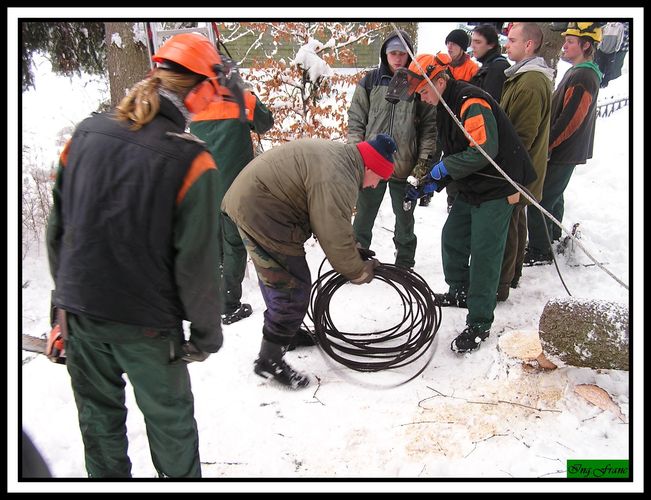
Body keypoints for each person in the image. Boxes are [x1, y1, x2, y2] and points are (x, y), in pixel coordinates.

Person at [46, 33, 227, 478]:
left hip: (82, 315)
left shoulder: (84, 135)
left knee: (99, 426)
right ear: (199, 89)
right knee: (172, 430)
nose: (215, 98)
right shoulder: (192, 161)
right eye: (214, 89)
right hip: (148, 327)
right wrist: (205, 334)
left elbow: (58, 232)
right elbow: (198, 264)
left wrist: (63, 309)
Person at [222, 134, 397, 387]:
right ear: (370, 167)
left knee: (281, 280)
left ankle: (285, 334)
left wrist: (353, 249)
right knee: (292, 287)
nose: (373, 186)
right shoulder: (340, 175)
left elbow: (329, 219)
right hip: (262, 209)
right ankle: (269, 360)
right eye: (379, 179)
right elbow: (333, 232)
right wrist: (359, 272)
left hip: (253, 200)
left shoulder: (342, 161)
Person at [398, 53, 535, 353]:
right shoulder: (445, 105)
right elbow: (456, 150)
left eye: (422, 91)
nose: (421, 97)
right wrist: (433, 183)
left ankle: (479, 323)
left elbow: (483, 151)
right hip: (473, 185)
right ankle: (460, 290)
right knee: (453, 237)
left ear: (439, 80)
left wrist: (443, 170)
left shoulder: (470, 101)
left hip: (498, 187)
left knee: (485, 253)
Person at [348, 30, 438, 266]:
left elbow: (429, 128)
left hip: (405, 165)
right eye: (393, 53)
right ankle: (355, 259)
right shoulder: (370, 81)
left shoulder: (418, 85)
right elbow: (356, 119)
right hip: (371, 165)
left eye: (402, 53)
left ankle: (405, 262)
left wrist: (423, 163)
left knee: (405, 218)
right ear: (384, 54)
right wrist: (357, 153)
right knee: (363, 217)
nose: (398, 58)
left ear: (409, 55)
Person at [190, 80, 274, 325]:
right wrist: (252, 97)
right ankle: (228, 304)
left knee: (212, 243)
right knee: (234, 244)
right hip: (235, 184)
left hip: (203, 184)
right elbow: (265, 123)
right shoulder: (242, 98)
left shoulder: (194, 98)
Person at [525, 22, 603, 265]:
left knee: (541, 200)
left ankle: (540, 250)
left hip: (562, 150)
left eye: (570, 42)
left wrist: (547, 145)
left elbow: (571, 118)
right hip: (563, 150)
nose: (564, 45)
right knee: (554, 196)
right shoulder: (579, 71)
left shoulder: (584, 75)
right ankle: (552, 237)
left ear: (586, 45)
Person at [496, 22, 554, 301]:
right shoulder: (524, 76)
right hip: (524, 170)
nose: (507, 45)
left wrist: (508, 174)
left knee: (508, 225)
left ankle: (502, 283)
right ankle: (513, 274)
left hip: (519, 171)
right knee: (517, 221)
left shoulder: (530, 82)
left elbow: (522, 137)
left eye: (513, 40)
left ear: (529, 44)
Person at [441, 28, 480, 212]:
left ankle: (460, 198)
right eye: (448, 42)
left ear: (463, 48)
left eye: (454, 44)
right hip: (445, 119)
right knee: (446, 156)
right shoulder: (443, 65)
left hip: (464, 120)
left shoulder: (472, 69)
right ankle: (451, 198)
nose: (449, 47)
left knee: (461, 158)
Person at [469, 24, 511, 102]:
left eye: (478, 42)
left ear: (491, 44)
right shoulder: (488, 66)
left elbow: (490, 104)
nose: (472, 46)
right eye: (472, 41)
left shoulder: (497, 68)